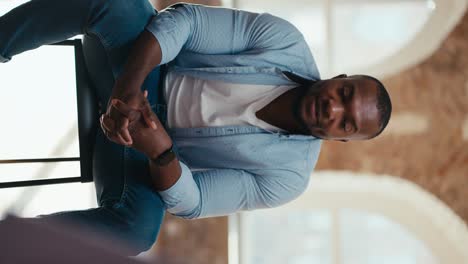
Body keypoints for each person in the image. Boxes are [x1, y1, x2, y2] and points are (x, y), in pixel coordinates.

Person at [0, 0, 392, 255]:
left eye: (346, 120)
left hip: (140, 152)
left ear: (342, 137)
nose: (333, 107)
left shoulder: (288, 178)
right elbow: (185, 22)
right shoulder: (286, 42)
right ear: (339, 77)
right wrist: (129, 90)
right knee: (118, 3)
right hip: (137, 69)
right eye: (344, 93)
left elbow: (195, 202)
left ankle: (11, 244)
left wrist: (160, 151)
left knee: (137, 232)